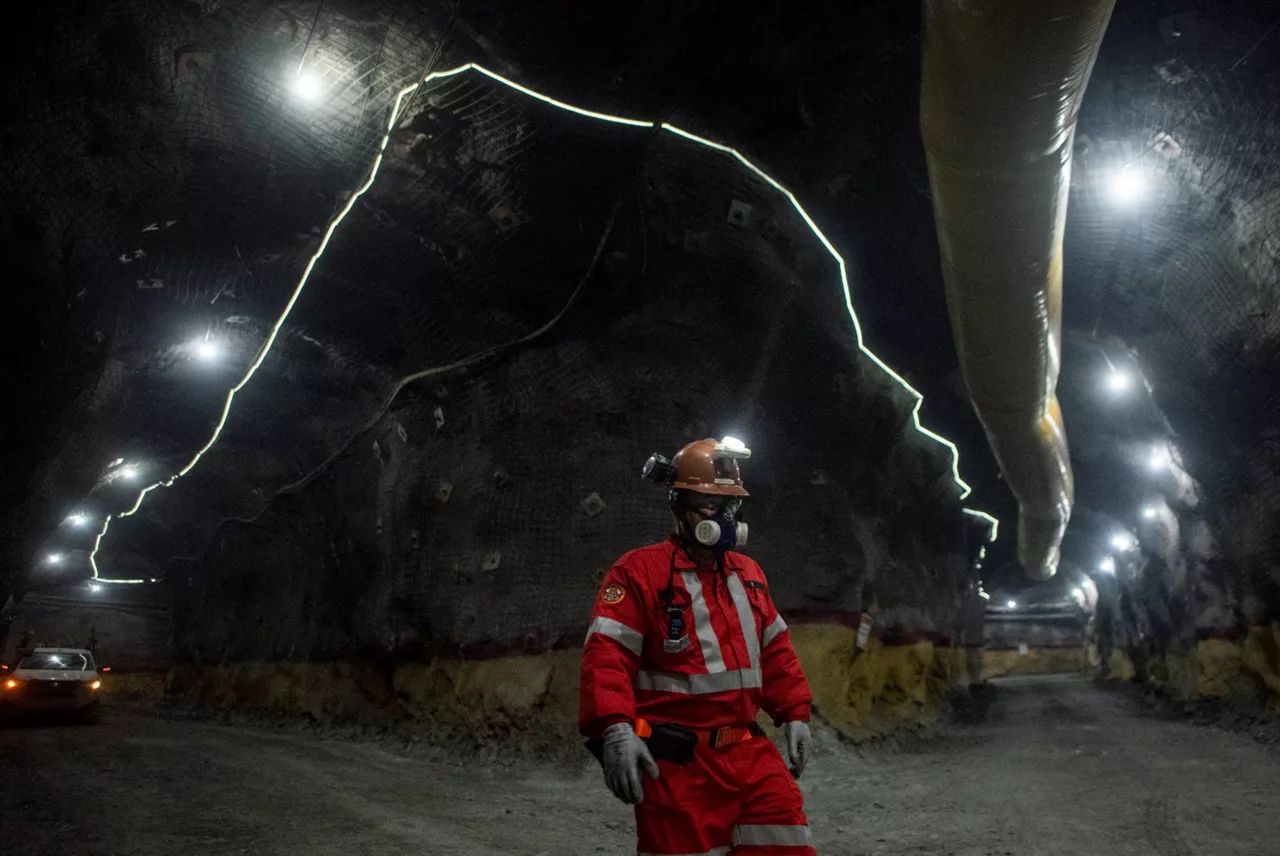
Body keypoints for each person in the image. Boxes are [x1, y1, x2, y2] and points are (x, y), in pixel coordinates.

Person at [580, 437, 817, 855]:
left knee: (788, 842)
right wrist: (615, 729)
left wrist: (795, 712)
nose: (723, 516)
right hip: (679, 767)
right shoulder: (639, 573)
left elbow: (776, 649)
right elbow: (607, 656)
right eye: (709, 504)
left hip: (749, 755)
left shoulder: (748, 574)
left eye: (730, 504)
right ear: (680, 505)